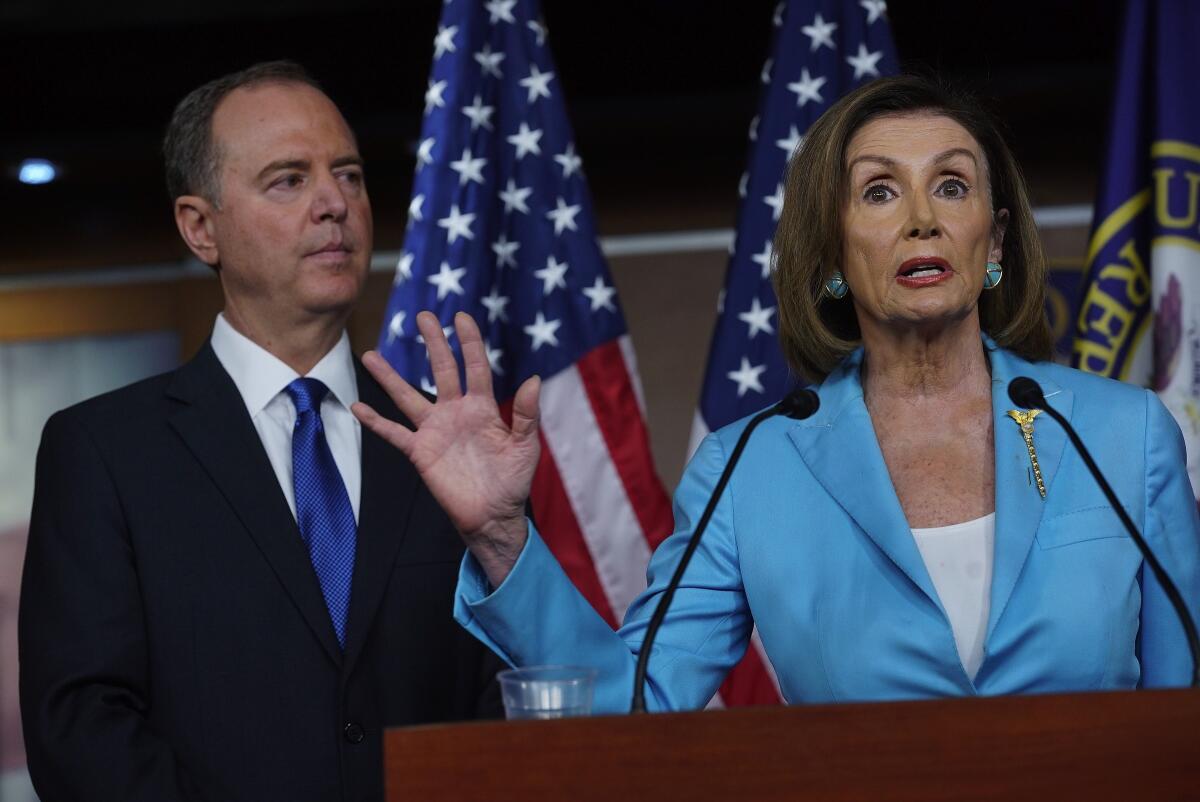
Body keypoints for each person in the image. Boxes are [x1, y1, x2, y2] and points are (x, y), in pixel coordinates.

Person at [353, 75, 1200, 712]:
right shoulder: (752, 466)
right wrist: (503, 537)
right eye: (878, 191)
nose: (922, 219)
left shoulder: (1120, 435)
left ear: (995, 241)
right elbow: (636, 705)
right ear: (830, 254)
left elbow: (1183, 707)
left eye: (951, 185)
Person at [18, 61, 503, 802]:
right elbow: (82, 730)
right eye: (289, 180)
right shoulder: (104, 453)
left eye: (349, 174)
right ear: (200, 228)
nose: (334, 203)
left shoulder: (442, 438)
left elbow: (508, 693)